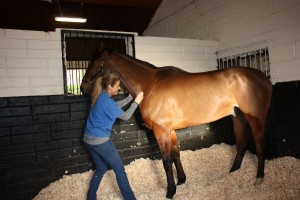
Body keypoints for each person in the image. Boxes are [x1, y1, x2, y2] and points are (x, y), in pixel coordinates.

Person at [83, 72, 144, 200]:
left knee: (100, 168)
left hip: (88, 140)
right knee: (120, 170)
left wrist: (129, 98)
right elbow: (126, 116)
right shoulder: (107, 102)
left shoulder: (101, 97)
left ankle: (90, 197)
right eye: (117, 86)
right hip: (99, 141)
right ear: (109, 87)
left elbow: (114, 107)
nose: (119, 88)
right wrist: (136, 102)